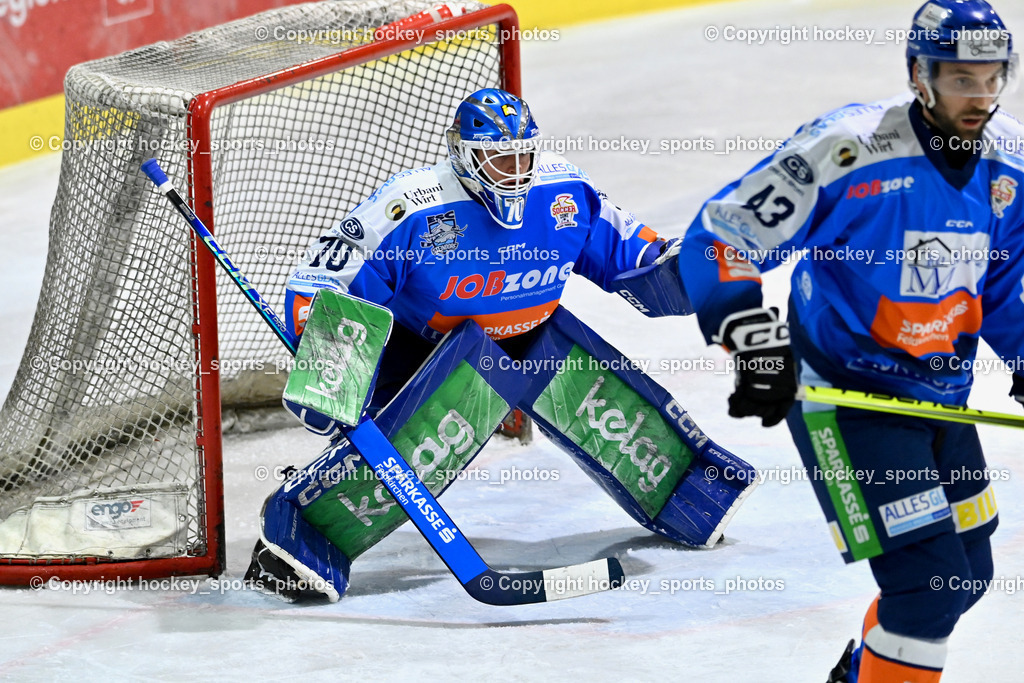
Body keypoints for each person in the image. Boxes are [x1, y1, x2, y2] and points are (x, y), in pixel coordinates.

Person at [244, 88, 756, 602]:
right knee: (412, 452)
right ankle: (299, 537)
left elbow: (634, 258)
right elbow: (324, 280)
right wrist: (331, 368)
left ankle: (691, 491)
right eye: (498, 158)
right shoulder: (413, 207)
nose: (514, 171)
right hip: (426, 354)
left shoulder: (564, 192)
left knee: (615, 413)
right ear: (462, 153)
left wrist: (691, 268)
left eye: (522, 156)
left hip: (538, 342)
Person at [678, 1, 1022, 680]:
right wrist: (752, 339)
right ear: (919, 75)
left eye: (992, 78)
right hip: (847, 392)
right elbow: (721, 235)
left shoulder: (1010, 167)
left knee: (968, 571)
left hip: (939, 393)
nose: (979, 97)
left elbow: (1006, 278)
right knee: (925, 587)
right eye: (960, 79)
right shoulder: (847, 151)